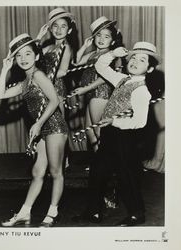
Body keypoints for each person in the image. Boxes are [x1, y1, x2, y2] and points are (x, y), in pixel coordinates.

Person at [73, 42, 160, 226]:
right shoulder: (121, 79)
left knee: (126, 175)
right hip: (110, 134)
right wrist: (113, 53)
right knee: (97, 171)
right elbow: (100, 66)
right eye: (133, 57)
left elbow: (140, 122)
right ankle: (94, 211)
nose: (135, 61)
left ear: (150, 68)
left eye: (142, 60)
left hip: (125, 137)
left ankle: (137, 214)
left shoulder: (142, 90)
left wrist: (115, 121)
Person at [0, 33, 68, 227]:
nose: (23, 58)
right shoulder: (24, 82)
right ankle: (24, 213)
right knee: (37, 172)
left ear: (36, 57)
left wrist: (37, 124)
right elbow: (0, 94)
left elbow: (54, 101)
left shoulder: (38, 75)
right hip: (43, 130)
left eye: (28, 54)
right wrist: (5, 69)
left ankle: (53, 213)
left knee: (56, 171)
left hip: (54, 126)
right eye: (19, 55)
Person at [71, 16, 124, 152]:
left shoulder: (111, 54)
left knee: (100, 132)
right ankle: (98, 164)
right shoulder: (92, 54)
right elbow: (76, 62)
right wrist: (84, 46)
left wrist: (86, 88)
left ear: (112, 40)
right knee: (90, 132)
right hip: (91, 93)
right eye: (98, 35)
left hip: (101, 93)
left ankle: (107, 166)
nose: (101, 39)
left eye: (106, 36)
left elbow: (104, 78)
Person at [36, 7, 77, 117]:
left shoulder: (66, 47)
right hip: (45, 87)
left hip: (56, 88)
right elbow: (33, 57)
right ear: (50, 29)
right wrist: (39, 37)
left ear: (69, 30)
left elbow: (63, 71)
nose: (58, 30)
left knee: (58, 125)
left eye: (63, 26)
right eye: (55, 26)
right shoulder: (49, 47)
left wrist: (42, 80)